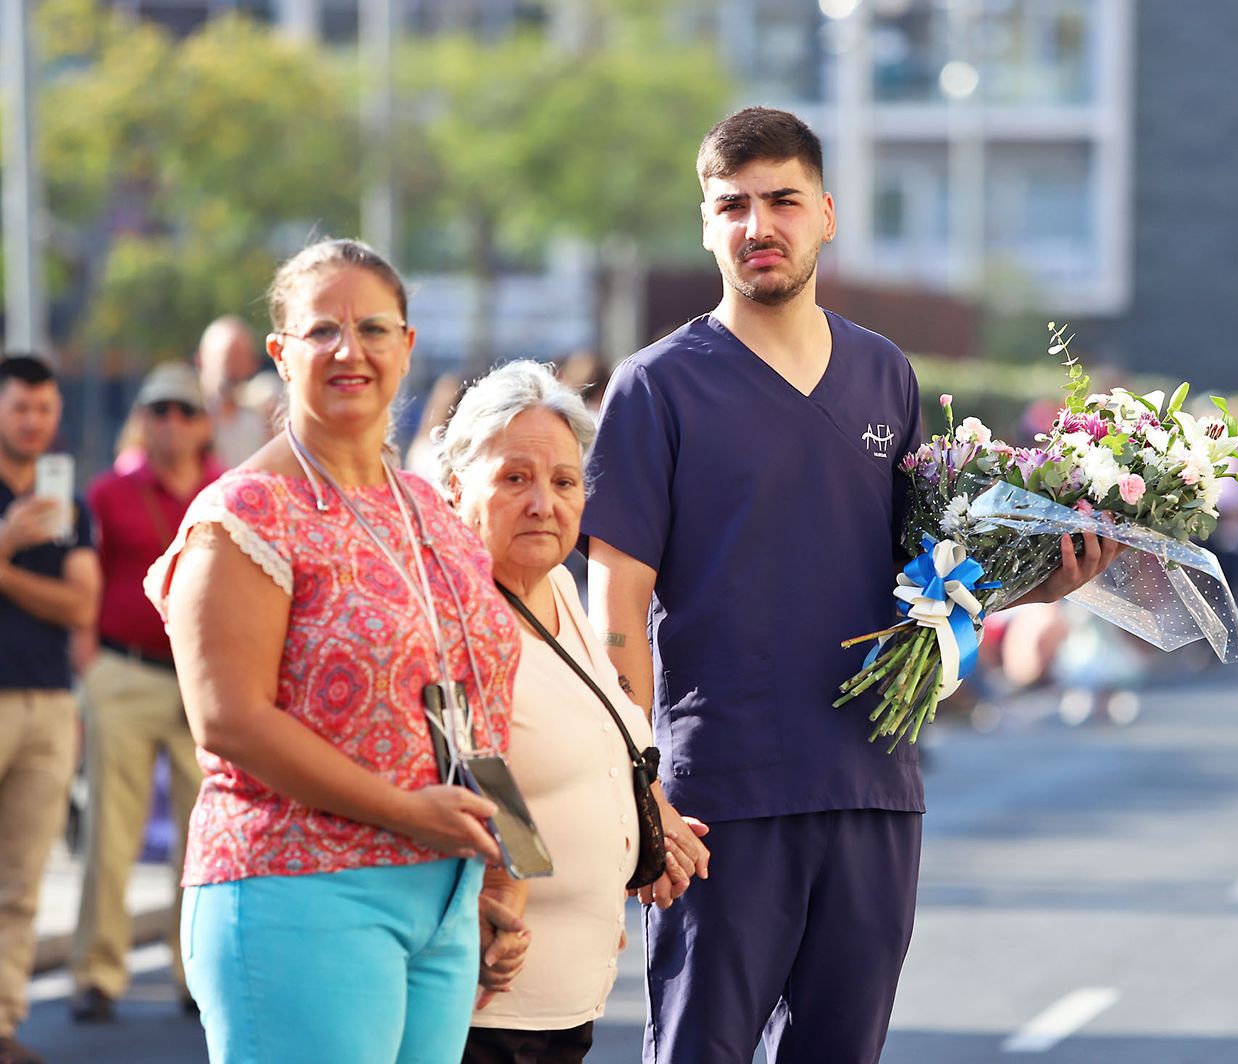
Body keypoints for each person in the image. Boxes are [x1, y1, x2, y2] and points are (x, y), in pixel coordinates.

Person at [583, 107, 1120, 1064]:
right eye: (733, 206)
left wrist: (1031, 586)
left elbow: (921, 583)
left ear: (826, 214)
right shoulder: (655, 388)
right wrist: (637, 785)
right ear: (707, 224)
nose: (760, 226)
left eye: (783, 200)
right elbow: (614, 603)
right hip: (721, 796)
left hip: (873, 786)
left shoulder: (885, 375)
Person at [145, 239, 522, 1064]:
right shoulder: (244, 513)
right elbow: (229, 722)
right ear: (281, 355)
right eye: (323, 332)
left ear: (407, 346)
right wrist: (403, 811)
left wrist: (497, 874)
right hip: (299, 886)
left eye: (374, 329)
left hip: (443, 897)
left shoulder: (427, 507)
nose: (350, 351)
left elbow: (476, 702)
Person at [439, 359, 710, 1064]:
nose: (543, 503)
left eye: (563, 482)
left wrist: (646, 822)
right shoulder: (455, 610)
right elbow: (482, 767)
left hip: (562, 1008)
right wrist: (507, 885)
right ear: (454, 488)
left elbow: (602, 725)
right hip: (486, 1010)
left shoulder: (556, 587)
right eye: (514, 478)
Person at [70, 363, 217, 1023]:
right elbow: (86, 582)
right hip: (124, 673)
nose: (172, 422)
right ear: (143, 417)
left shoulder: (227, 488)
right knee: (111, 830)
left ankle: (191, 970)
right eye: (160, 410)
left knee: (202, 835)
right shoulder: (109, 491)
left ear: (203, 422)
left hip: (200, 680)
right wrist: (89, 669)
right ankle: (97, 973)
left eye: (185, 411)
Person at [0, 355, 101, 1064]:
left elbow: (81, 604)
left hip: (47, 699)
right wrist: (7, 546)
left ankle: (2, 1023)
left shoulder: (70, 501)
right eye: (19, 408)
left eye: (43, 408)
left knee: (22, 879)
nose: (33, 421)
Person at [195, 315, 271, 468]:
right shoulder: (179, 414)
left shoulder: (261, 419)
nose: (233, 369)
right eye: (228, 358)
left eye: (240, 358)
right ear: (200, 360)